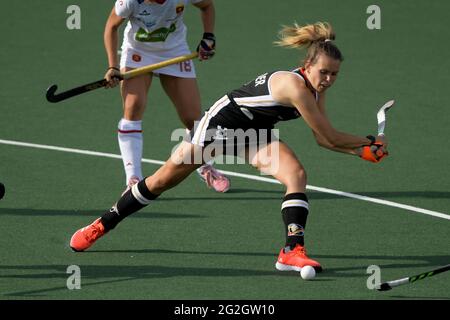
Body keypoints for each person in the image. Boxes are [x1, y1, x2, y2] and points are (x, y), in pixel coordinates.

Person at [70, 22, 388, 273]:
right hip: (221, 125)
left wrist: (360, 151)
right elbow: (329, 135)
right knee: (162, 180)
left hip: (256, 131)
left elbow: (323, 139)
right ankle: (103, 223)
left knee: (296, 175)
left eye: (334, 74)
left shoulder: (316, 90)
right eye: (324, 72)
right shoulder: (295, 87)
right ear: (306, 65)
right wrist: (366, 142)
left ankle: (291, 251)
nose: (329, 79)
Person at [104, 0, 229, 194]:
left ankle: (204, 165)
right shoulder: (130, 2)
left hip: (174, 52)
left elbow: (207, 5)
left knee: (193, 118)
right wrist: (112, 66)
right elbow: (111, 27)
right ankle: (133, 178)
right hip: (138, 53)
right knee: (133, 107)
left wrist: (208, 37)